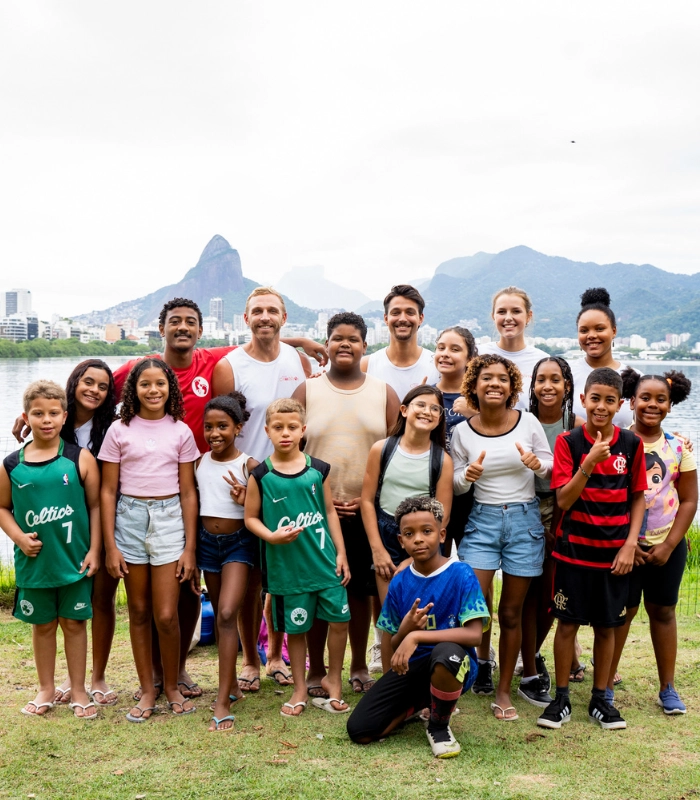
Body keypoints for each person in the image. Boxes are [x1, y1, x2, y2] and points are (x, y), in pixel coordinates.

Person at [293, 312, 399, 696]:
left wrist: (367, 499)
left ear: (364, 345)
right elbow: (291, 450)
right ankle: (318, 669)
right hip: (316, 512)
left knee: (359, 593)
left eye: (352, 339)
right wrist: (320, 502)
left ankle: (357, 666)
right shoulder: (307, 390)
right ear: (327, 343)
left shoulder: (383, 392)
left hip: (366, 510)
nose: (344, 345)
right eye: (337, 338)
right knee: (322, 590)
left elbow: (394, 453)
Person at [213, 287, 312, 691]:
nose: (265, 316)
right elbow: (223, 427)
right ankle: (251, 660)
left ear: (284, 318)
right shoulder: (229, 366)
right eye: (257, 310)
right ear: (245, 318)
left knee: (284, 575)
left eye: (272, 310)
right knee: (252, 578)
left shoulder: (298, 360)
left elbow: (308, 417)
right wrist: (241, 474)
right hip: (245, 484)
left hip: (288, 480)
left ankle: (276, 655)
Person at [537, 367, 646, 731]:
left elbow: (637, 498)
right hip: (572, 554)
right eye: (594, 399)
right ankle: (562, 697)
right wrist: (588, 463)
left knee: (607, 627)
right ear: (582, 400)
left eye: (609, 400)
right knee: (566, 624)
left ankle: (601, 698)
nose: (601, 406)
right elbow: (564, 500)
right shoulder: (568, 442)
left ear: (620, 405)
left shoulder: (631, 444)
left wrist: (630, 544)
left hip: (614, 555)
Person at [346, 496, 489, 759]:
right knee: (361, 730)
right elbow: (393, 643)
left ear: (442, 534)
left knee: (446, 653)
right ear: (401, 541)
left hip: (454, 665)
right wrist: (405, 630)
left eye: (427, 531)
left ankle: (438, 725)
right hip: (413, 669)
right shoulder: (399, 583)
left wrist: (417, 634)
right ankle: (417, 706)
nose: (418, 539)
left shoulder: (461, 573)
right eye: (409, 534)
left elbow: (474, 635)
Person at [451, 354, 553, 720]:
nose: (494, 384)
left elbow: (552, 467)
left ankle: (505, 691)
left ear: (512, 387)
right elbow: (455, 485)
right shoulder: (461, 431)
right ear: (474, 385)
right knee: (472, 610)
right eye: (486, 378)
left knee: (511, 612)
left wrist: (537, 465)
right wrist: (468, 476)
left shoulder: (528, 423)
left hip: (525, 522)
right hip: (481, 523)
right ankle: (468, 675)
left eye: (502, 379)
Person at [99, 359, 200, 722]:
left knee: (167, 614)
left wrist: (190, 547)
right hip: (129, 520)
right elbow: (108, 490)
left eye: (161, 383)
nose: (153, 390)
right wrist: (111, 545)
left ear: (170, 388)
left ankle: (171, 684)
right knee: (139, 611)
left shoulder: (181, 431)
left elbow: (189, 492)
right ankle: (146, 690)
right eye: (145, 384)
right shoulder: (119, 430)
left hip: (171, 521)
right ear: (133, 390)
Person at [0, 381, 101, 718]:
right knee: (42, 625)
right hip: (35, 564)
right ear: (26, 417)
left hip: (73, 560)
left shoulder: (79, 458)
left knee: (74, 623)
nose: (46, 420)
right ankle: (45, 687)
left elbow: (96, 507)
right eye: (38, 413)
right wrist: (18, 538)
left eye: (53, 413)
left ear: (64, 416)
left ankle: (79, 689)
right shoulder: (12, 465)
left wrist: (96, 549)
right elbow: (2, 508)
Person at [244, 398, 351, 717]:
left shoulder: (318, 470)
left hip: (325, 563)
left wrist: (341, 552)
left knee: (339, 621)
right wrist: (271, 536)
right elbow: (251, 518)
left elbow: (330, 512)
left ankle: (334, 680)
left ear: (303, 430)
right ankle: (300, 687)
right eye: (278, 428)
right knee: (297, 629)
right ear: (267, 431)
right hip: (287, 572)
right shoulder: (261, 476)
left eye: (292, 427)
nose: (285, 433)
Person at [606, 369, 697, 715]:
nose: (652, 405)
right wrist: (627, 544)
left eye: (661, 399)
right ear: (631, 401)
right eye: (645, 398)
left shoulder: (677, 448)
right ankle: (606, 681)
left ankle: (667, 687)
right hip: (624, 547)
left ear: (670, 406)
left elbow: (688, 500)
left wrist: (670, 545)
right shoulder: (618, 442)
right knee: (622, 614)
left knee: (663, 611)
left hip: (665, 547)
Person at [55, 360, 120, 708]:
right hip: (68, 524)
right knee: (72, 602)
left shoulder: (112, 427)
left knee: (102, 599)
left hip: (107, 520)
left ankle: (98, 676)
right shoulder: (55, 421)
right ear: (74, 382)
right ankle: (72, 676)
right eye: (88, 382)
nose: (94, 390)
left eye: (103, 386)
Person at [519, 357, 584, 701]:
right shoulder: (522, 421)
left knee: (550, 593)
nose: (547, 386)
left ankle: (530, 655)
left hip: (563, 510)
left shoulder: (575, 424)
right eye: (540, 379)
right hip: (527, 507)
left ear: (567, 386)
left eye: (555, 379)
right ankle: (527, 661)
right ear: (532, 386)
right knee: (528, 592)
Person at [195, 392, 259, 731]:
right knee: (223, 619)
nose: (215, 433)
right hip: (207, 545)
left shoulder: (249, 465)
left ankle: (221, 701)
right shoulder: (198, 462)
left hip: (239, 544)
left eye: (223, 426)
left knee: (225, 612)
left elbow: (267, 509)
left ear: (238, 428)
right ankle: (231, 684)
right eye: (209, 427)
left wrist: (247, 497)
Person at [361, 386, 453, 610]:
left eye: (434, 409)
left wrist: (412, 559)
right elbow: (366, 500)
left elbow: (444, 515)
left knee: (424, 612)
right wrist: (378, 550)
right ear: (404, 410)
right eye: (420, 405)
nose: (427, 412)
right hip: (386, 535)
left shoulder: (442, 460)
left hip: (425, 540)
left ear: (440, 418)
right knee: (390, 613)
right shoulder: (381, 449)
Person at [433, 325, 478, 555]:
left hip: (470, 492)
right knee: (434, 557)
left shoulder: (479, 398)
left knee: (475, 563)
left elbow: (494, 434)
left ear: (470, 358)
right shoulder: (426, 395)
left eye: (455, 349)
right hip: (432, 488)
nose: (445, 354)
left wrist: (474, 413)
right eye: (441, 347)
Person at [570, 288, 639, 427]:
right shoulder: (566, 374)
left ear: (614, 331)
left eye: (599, 329)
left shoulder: (635, 378)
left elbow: (649, 426)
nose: (591, 335)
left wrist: (673, 439)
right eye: (584, 330)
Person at [362, 285, 439, 399]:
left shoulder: (437, 366)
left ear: (421, 318)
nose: (402, 319)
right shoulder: (366, 366)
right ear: (386, 318)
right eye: (396, 313)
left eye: (410, 312)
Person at [478, 287, 548, 409]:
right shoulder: (478, 354)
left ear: (528, 316)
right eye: (502, 312)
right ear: (493, 316)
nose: (508, 317)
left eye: (516, 311)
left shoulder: (543, 361)